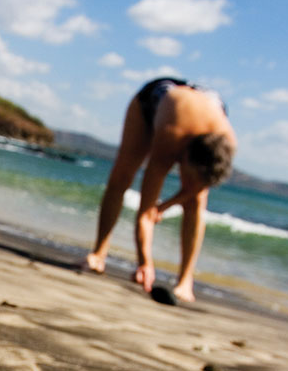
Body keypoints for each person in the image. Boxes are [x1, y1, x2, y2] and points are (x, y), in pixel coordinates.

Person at [83, 77, 236, 302]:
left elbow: (197, 187)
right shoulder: (170, 138)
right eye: (189, 177)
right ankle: (98, 254)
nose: (191, 185)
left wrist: (165, 206)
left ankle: (185, 281)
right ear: (183, 157)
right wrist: (145, 262)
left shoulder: (227, 142)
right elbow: (146, 212)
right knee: (122, 177)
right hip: (156, 99)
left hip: (210, 102)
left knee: (196, 200)